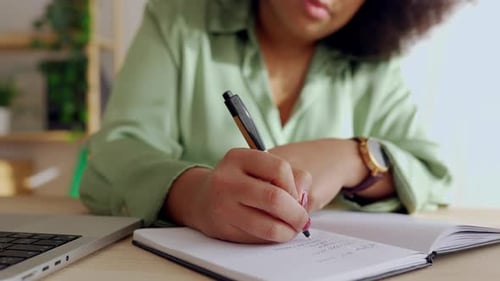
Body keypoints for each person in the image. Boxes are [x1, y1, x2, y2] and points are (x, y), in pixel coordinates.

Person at [80, 0, 464, 244]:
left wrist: (356, 158)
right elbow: (112, 157)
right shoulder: (179, 18)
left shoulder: (374, 61)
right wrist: (195, 195)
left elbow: (432, 175)